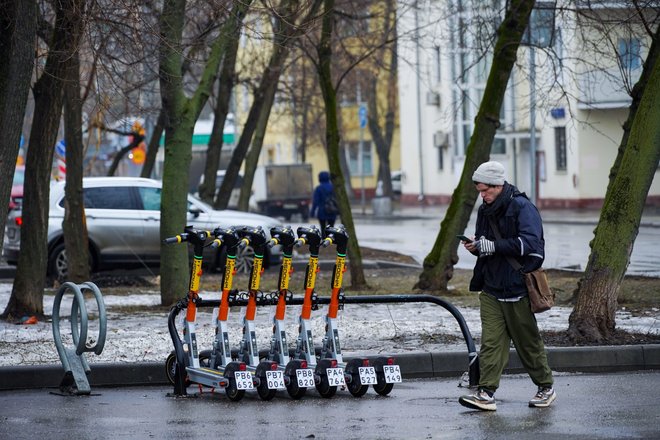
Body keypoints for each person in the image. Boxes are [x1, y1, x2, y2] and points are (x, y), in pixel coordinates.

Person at [458, 160, 555, 412]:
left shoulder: (522, 207)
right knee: (491, 344)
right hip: (491, 289)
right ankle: (486, 393)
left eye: (485, 190)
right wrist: (476, 246)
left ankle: (546, 387)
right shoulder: (484, 210)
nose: (483, 195)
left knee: (528, 343)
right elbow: (486, 244)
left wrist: (494, 246)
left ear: (498, 185)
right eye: (480, 191)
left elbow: (531, 245)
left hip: (518, 288)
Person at [310, 171, 337, 235]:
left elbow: (315, 201)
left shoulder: (319, 188)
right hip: (332, 210)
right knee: (331, 228)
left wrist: (312, 212)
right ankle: (330, 240)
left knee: (323, 228)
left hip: (322, 212)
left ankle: (324, 241)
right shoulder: (334, 187)